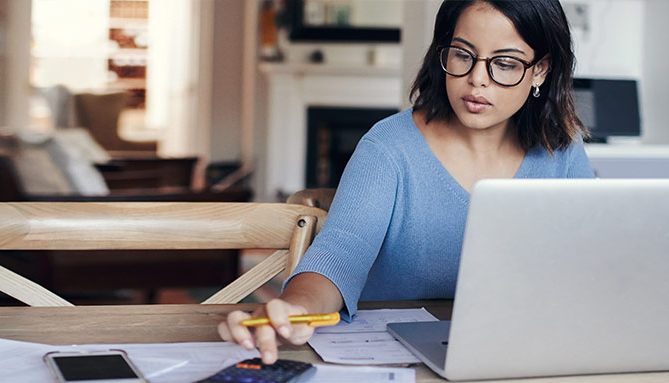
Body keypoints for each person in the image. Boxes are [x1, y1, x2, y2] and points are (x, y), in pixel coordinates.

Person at [217, 0, 592, 363]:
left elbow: (585, 268)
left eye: (505, 63)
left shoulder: (562, 151)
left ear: (540, 70)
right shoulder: (388, 148)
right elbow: (339, 256)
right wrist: (294, 309)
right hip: (392, 360)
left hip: (517, 356)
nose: (477, 79)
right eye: (462, 55)